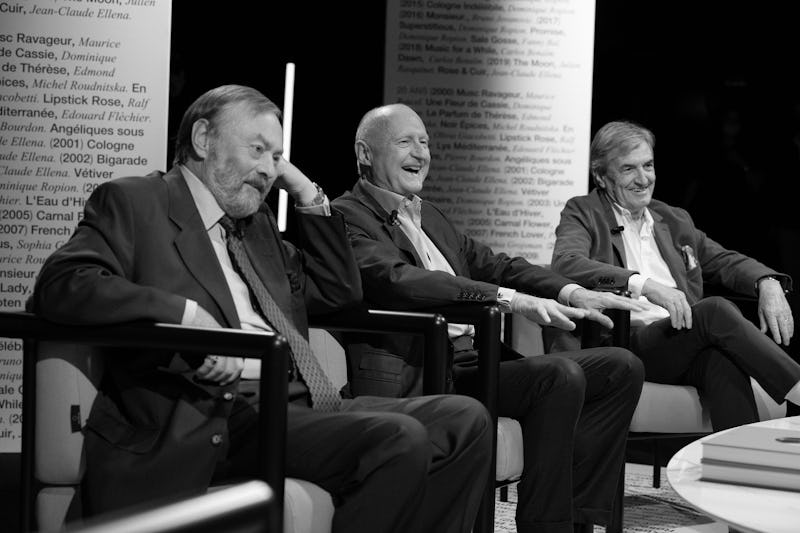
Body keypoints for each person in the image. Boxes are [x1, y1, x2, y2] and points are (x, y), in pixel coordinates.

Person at [31, 86, 493, 533]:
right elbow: (63, 283)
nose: (269, 170)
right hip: (214, 411)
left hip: (294, 401)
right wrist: (184, 315)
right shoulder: (136, 202)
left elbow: (337, 294)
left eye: (276, 157)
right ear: (202, 139)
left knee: (466, 420)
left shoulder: (255, 224)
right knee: (397, 440)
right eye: (258, 150)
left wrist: (309, 196)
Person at [331, 103, 646, 533]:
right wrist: (508, 300)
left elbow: (497, 264)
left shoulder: (429, 215)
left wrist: (570, 290)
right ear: (365, 153)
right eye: (405, 142)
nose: (421, 153)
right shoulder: (346, 216)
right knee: (560, 376)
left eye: (425, 142)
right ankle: (547, 526)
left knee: (621, 367)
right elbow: (400, 280)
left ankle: (578, 518)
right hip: (423, 367)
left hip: (473, 362)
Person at [551, 119, 800, 429]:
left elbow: (724, 261)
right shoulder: (583, 211)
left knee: (721, 360)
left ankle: (739, 457)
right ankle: (797, 391)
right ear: (601, 176)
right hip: (622, 344)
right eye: (628, 169)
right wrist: (644, 284)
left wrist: (767, 282)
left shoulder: (672, 218)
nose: (643, 179)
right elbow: (567, 262)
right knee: (714, 311)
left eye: (648, 165)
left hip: (677, 340)